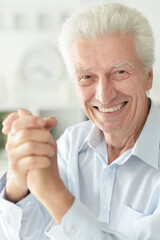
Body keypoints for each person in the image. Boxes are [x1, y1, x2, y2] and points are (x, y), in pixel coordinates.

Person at [0, 2, 160, 240]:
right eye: (87, 76)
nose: (104, 95)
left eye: (119, 73)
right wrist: (18, 183)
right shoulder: (69, 145)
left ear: (148, 76)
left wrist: (55, 195)